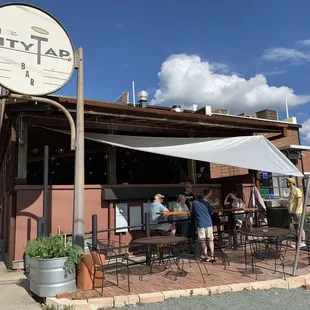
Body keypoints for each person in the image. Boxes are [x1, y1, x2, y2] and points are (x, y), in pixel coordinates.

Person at [192, 190, 216, 262]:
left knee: (203, 241)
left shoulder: (194, 203)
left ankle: (205, 255)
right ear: (203, 197)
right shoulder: (207, 203)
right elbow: (211, 212)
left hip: (200, 223)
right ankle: (212, 256)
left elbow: (193, 211)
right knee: (210, 240)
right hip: (208, 223)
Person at [282, 178, 306, 247]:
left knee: (300, 227)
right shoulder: (291, 191)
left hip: (297, 212)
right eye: (287, 182)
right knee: (296, 227)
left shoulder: (297, 190)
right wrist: (285, 202)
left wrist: (296, 210)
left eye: (288, 182)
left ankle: (303, 242)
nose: (287, 183)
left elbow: (299, 200)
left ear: (292, 183)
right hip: (291, 212)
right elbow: (291, 201)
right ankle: (299, 242)